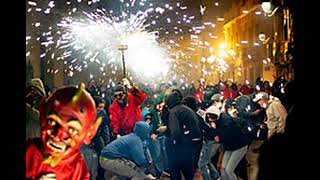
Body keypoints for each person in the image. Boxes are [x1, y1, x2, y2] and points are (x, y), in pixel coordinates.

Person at [26, 83, 102, 180]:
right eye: (52, 122)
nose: (58, 135)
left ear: (88, 134)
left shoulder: (77, 165)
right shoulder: (30, 152)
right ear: (42, 117)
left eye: (73, 130)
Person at [165, 91, 202, 180]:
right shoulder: (187, 109)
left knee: (175, 170)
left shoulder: (174, 112)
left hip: (183, 145)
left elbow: (176, 132)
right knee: (188, 173)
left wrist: (175, 145)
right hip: (194, 143)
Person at [219, 99, 251, 180]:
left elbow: (246, 128)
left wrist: (235, 118)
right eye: (230, 107)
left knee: (229, 170)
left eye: (234, 107)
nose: (233, 109)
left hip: (240, 145)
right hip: (230, 146)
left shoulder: (238, 119)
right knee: (223, 169)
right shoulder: (223, 118)